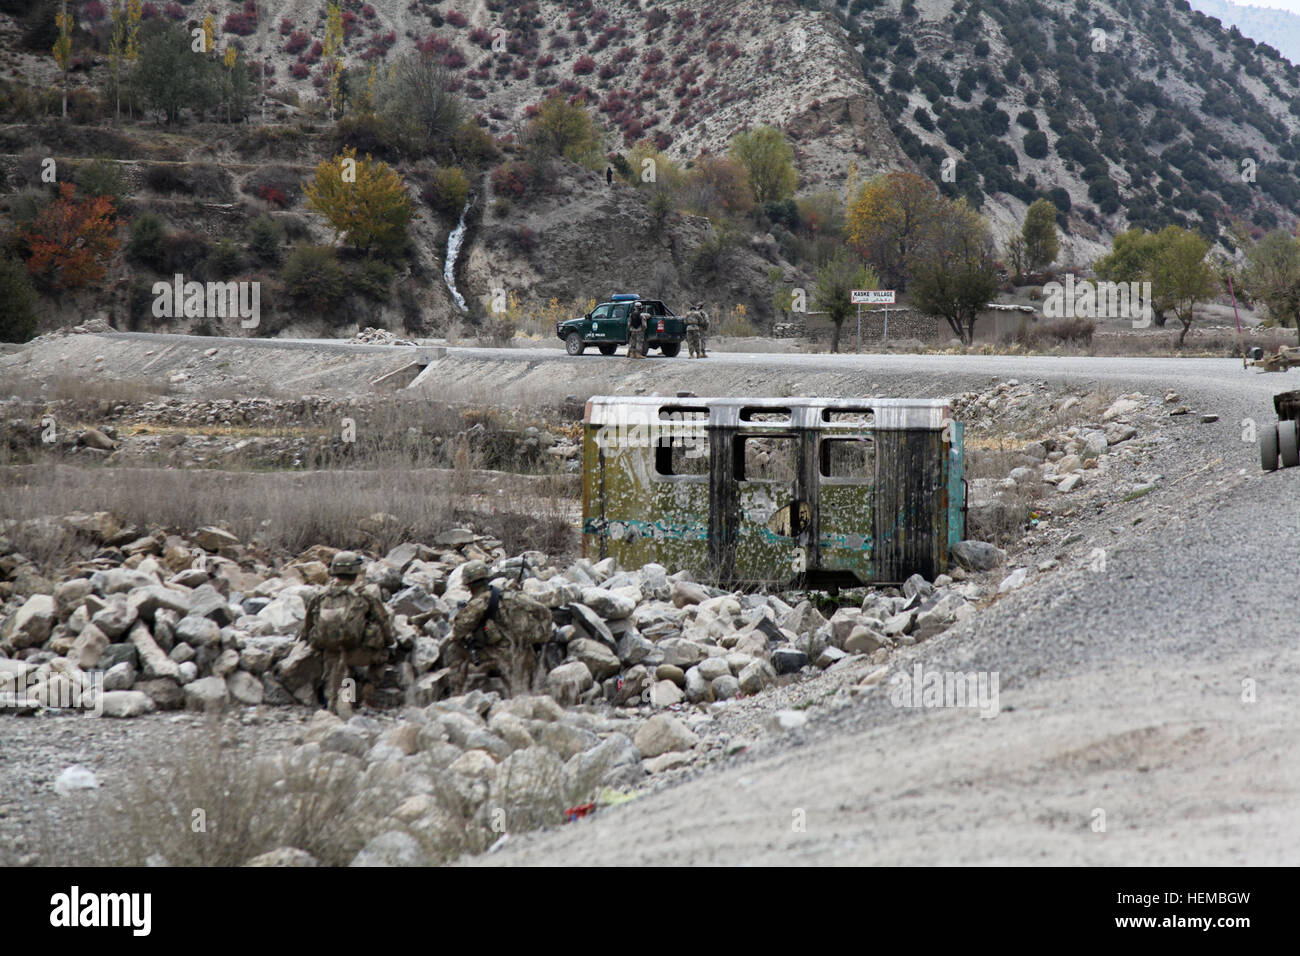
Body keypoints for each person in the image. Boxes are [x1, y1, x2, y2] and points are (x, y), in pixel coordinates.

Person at [300, 551, 394, 716]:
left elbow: (307, 626)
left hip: (329, 651)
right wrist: (388, 641)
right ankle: (365, 699)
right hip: (356, 651)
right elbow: (383, 620)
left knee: (337, 673)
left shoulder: (321, 595)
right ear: (355, 570)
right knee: (381, 656)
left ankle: (336, 704)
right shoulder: (364, 594)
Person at [445, 560, 553, 697]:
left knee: (454, 649)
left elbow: (457, 632)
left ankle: (456, 693)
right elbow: (543, 610)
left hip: (502, 657)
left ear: (470, 585)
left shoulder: (477, 604)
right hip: (525, 654)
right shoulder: (510, 595)